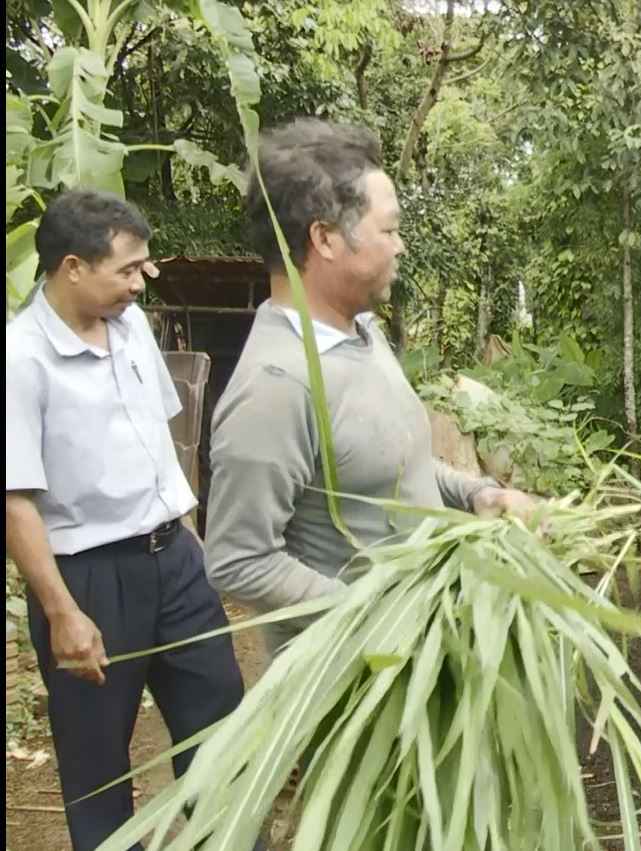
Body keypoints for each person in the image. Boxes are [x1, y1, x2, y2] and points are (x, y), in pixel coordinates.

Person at [205, 117, 534, 654]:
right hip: (352, 685)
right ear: (325, 238)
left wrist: (478, 494)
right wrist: (369, 616)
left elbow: (386, 468)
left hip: (415, 652)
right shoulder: (277, 385)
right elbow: (238, 558)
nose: (400, 246)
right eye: (389, 230)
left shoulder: (361, 333)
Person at [4, 190, 256, 851]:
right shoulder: (19, 358)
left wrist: (191, 541)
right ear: (71, 268)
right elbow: (14, 500)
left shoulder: (134, 326)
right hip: (88, 580)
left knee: (220, 725)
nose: (142, 281)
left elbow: (161, 440)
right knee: (97, 767)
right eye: (127, 268)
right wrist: (62, 612)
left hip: (174, 559)